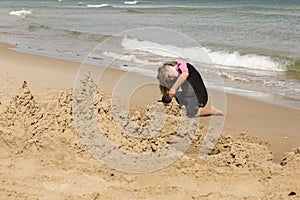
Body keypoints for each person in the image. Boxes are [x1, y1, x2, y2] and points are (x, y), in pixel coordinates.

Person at [156, 61, 224, 117]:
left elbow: (185, 74)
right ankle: (184, 106)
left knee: (191, 113)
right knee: (175, 99)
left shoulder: (181, 65)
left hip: (199, 97)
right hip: (188, 96)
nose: (171, 78)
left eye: (169, 76)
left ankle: (211, 110)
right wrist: (164, 100)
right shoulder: (175, 76)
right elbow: (173, 93)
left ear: (167, 67)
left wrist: (173, 89)